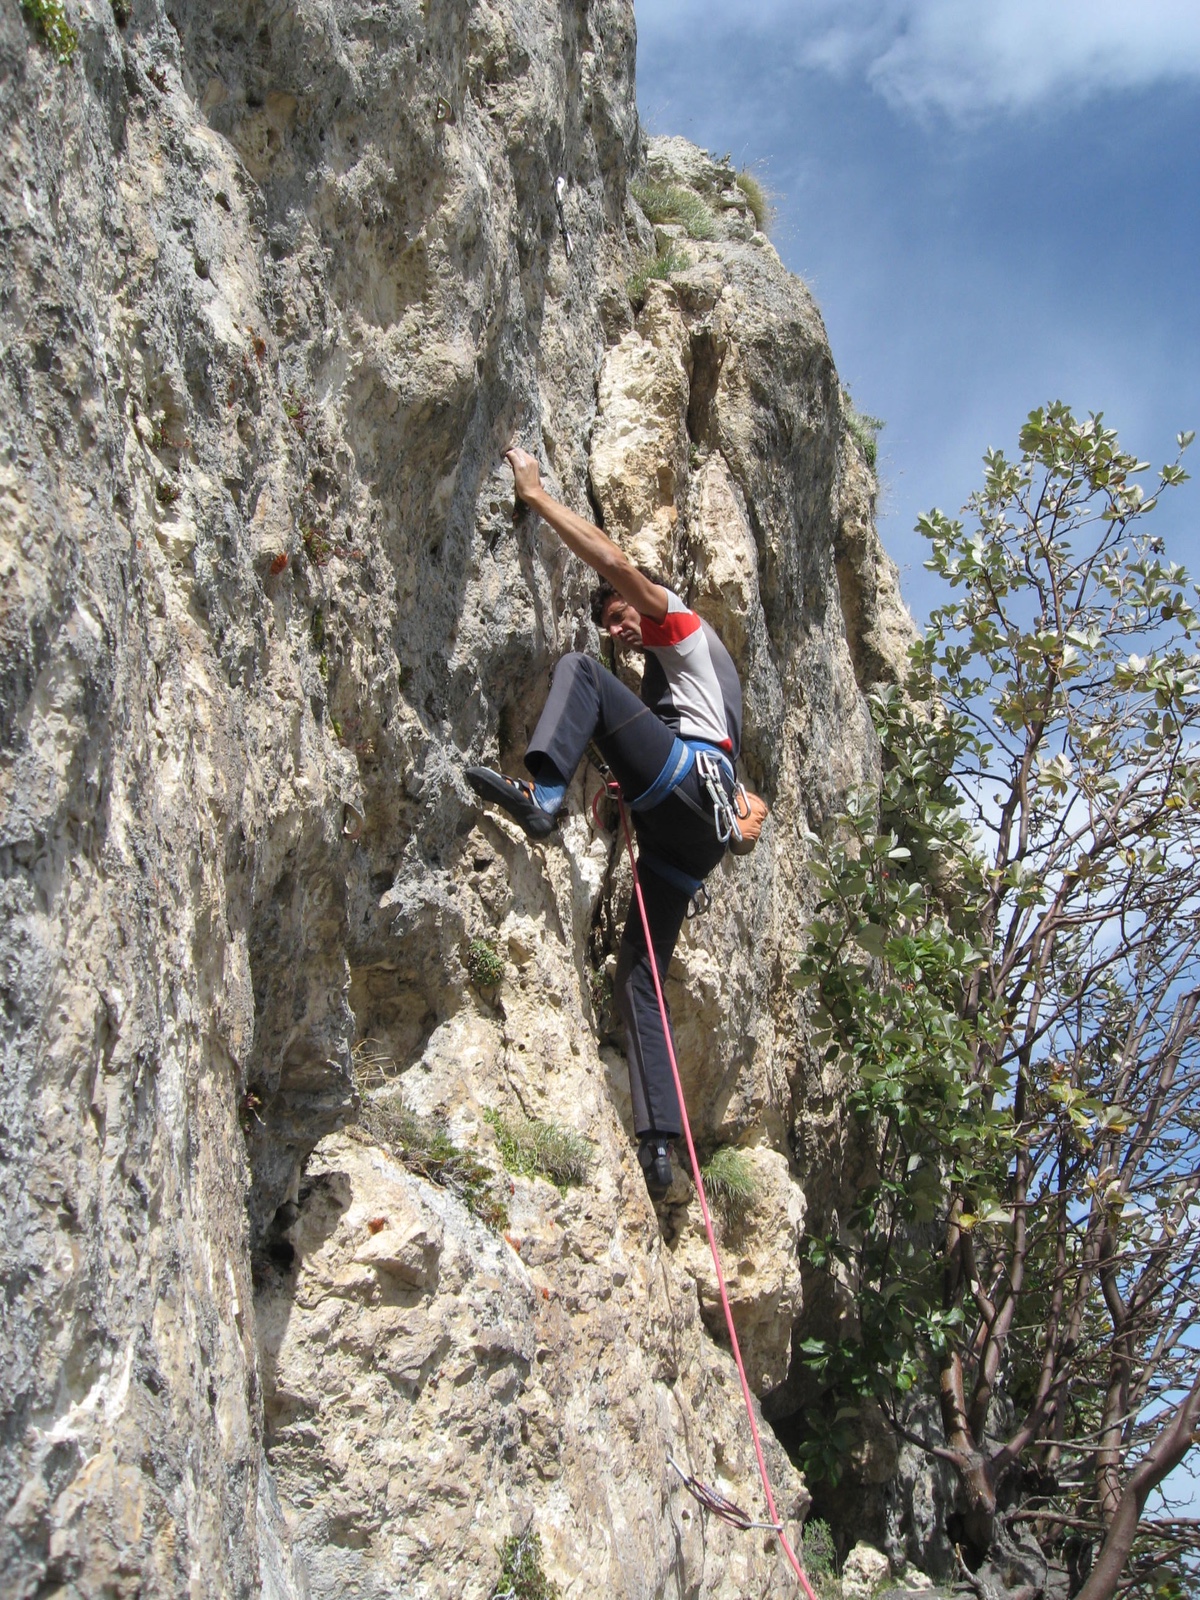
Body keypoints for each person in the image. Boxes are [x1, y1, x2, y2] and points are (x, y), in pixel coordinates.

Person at [466, 447, 746, 1200]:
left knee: (582, 674)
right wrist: (625, 795)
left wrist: (537, 495)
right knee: (638, 972)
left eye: (619, 613)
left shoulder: (681, 627)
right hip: (691, 841)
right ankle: (662, 1151)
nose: (619, 625)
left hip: (690, 788)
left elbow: (615, 559)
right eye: (612, 619)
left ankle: (543, 797)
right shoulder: (684, 688)